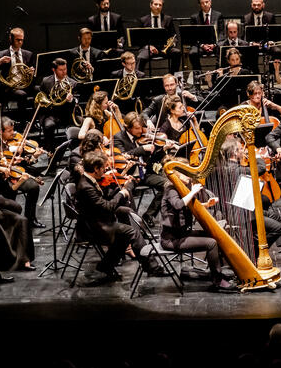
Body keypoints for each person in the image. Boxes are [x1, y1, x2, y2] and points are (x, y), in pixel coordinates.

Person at [74, 151, 162, 279]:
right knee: (132, 232)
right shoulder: (85, 186)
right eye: (103, 167)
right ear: (96, 169)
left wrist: (121, 189)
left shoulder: (89, 179)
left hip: (97, 219)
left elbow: (103, 201)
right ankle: (153, 267)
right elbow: (107, 207)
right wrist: (121, 194)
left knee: (126, 219)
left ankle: (105, 266)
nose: (105, 169)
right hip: (94, 227)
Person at [161, 162, 232, 291]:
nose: (189, 175)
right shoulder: (171, 190)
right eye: (185, 172)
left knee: (215, 235)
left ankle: (217, 272)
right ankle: (217, 280)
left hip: (182, 234)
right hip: (172, 240)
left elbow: (190, 206)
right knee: (211, 243)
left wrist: (206, 205)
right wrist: (193, 192)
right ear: (176, 174)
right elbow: (178, 205)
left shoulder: (182, 187)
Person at [114, 111, 172, 227]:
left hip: (145, 173)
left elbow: (152, 157)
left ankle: (149, 215)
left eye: (141, 128)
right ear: (128, 128)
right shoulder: (118, 138)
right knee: (126, 192)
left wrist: (163, 149)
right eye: (136, 129)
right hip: (130, 175)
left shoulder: (141, 136)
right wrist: (142, 148)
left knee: (168, 184)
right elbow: (122, 157)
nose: (140, 131)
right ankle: (134, 225)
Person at [0, 140, 36, 271]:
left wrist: (20, 181)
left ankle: (24, 260)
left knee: (22, 220)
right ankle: (5, 263)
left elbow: (8, 193)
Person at [0, 117, 43, 229]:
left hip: (16, 171)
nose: (13, 133)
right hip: (1, 176)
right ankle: (10, 222)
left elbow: (27, 160)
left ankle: (30, 219)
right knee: (9, 192)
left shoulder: (16, 140)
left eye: (13, 130)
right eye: (9, 131)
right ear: (0, 132)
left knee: (34, 187)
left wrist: (34, 157)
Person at [37, 58, 77, 150]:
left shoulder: (72, 83)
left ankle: (75, 152)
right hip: (50, 113)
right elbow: (40, 97)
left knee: (81, 122)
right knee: (48, 126)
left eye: (65, 69)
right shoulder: (46, 81)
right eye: (61, 70)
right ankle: (50, 152)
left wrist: (71, 100)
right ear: (54, 70)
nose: (64, 72)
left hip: (67, 113)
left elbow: (77, 100)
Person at [137, 0, 180, 73]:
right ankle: (139, 80)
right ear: (151, 5)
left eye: (160, 5)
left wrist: (171, 44)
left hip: (164, 48)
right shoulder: (143, 20)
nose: (157, 7)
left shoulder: (168, 19)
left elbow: (174, 36)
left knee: (176, 53)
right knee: (141, 57)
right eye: (155, 4)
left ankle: (172, 78)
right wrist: (148, 47)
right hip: (149, 49)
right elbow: (139, 39)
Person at [0, 27, 35, 109]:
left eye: (22, 40)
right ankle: (22, 120)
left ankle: (40, 118)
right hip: (10, 87)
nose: (20, 42)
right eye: (17, 40)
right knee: (22, 95)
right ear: (11, 38)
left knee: (42, 89)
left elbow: (33, 73)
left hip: (25, 85)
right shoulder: (2, 54)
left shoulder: (28, 54)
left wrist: (32, 72)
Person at [188, 0, 223, 73]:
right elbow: (193, 36)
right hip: (201, 45)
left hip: (215, 44)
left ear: (210, 2)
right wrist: (202, 45)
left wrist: (215, 45)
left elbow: (222, 33)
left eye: (207, 2)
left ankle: (217, 75)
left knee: (222, 50)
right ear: (200, 5)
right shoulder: (194, 17)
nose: (205, 4)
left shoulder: (218, 15)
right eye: (202, 3)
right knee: (193, 53)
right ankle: (199, 76)